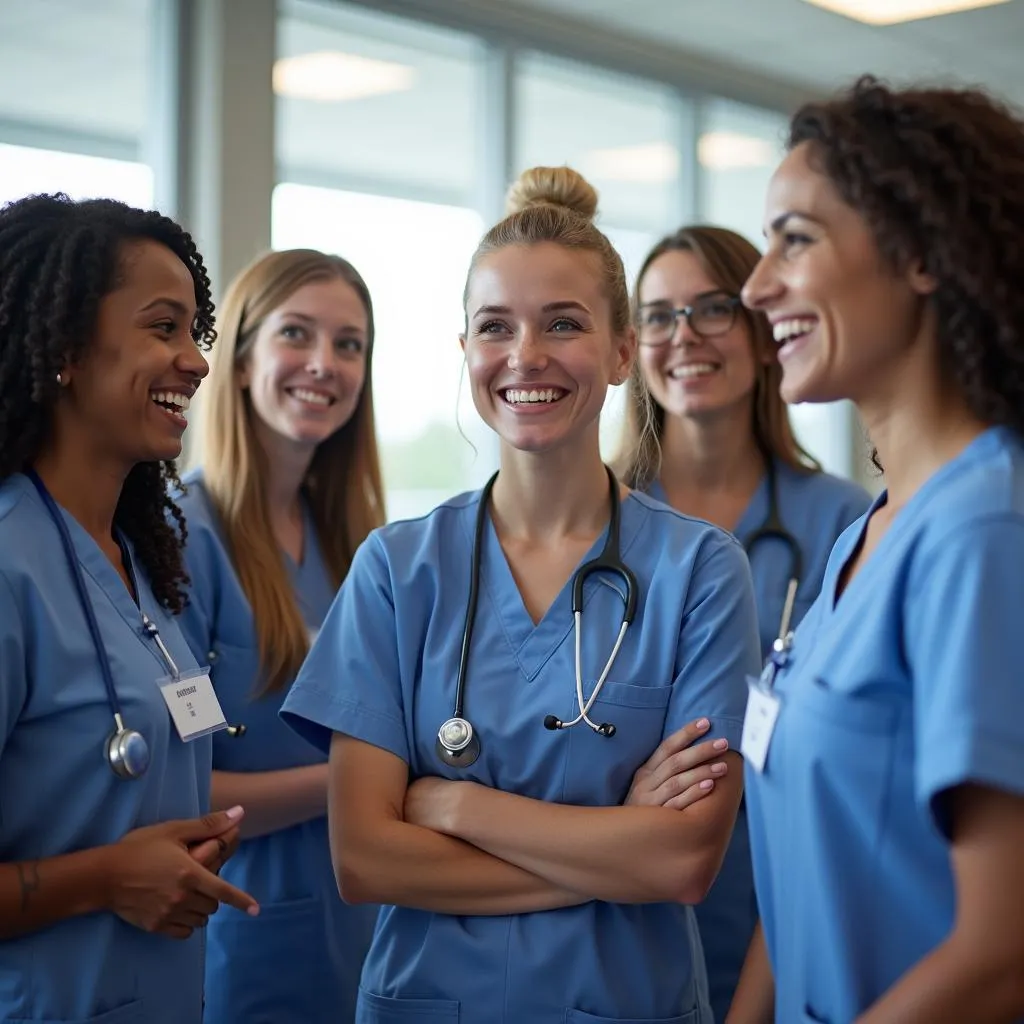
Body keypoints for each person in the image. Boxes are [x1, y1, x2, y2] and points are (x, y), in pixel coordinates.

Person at [280, 165, 762, 1024]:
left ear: (621, 353)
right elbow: (364, 858)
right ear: (464, 350)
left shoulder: (702, 571)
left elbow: (685, 862)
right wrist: (614, 848)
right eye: (494, 327)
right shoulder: (396, 570)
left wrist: (453, 804)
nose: (525, 356)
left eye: (563, 324)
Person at [729, 77, 1024, 1024]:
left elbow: (1003, 952)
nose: (756, 284)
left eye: (796, 238)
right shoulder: (868, 533)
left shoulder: (984, 532)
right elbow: (815, 862)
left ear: (920, 254)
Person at [0, 193, 258, 1024]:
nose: (196, 361)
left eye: (195, 332)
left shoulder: (142, 561)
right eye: (163, 328)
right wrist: (108, 878)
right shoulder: (8, 566)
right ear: (68, 348)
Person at [617, 224, 871, 1022]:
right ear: (631, 347)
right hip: (619, 904)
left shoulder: (845, 521)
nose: (683, 335)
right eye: (657, 315)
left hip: (783, 891)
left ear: (764, 333)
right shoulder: (596, 522)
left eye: (711, 308)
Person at [175, 248, 385, 1023]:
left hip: (357, 926)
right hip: (240, 937)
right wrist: (363, 785)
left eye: (349, 344)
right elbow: (184, 790)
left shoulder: (356, 545)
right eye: (296, 334)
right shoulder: (180, 538)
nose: (324, 365)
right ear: (238, 361)